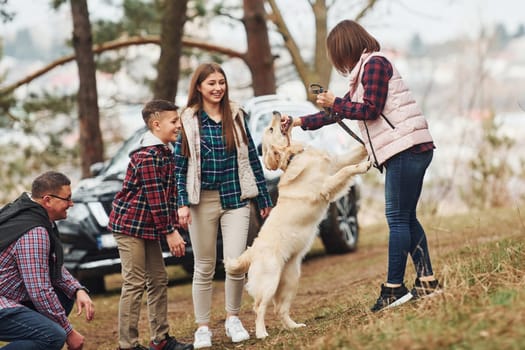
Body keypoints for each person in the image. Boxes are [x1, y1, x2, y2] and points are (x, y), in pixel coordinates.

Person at [282, 19, 442, 312]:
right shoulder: (362, 74)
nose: (338, 62)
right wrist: (298, 122)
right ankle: (427, 281)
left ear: (345, 48)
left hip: (407, 148)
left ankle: (394, 289)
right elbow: (339, 114)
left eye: (337, 54)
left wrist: (335, 102)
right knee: (406, 218)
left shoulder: (375, 65)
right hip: (404, 149)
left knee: (396, 218)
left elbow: (370, 110)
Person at [174, 62, 273, 348]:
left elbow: (252, 159)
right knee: (203, 266)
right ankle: (203, 327)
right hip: (201, 201)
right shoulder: (189, 119)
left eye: (221, 82)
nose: (218, 88)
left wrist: (263, 198)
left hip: (236, 199)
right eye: (211, 84)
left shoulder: (237, 115)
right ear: (199, 88)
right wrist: (181, 203)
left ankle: (233, 319)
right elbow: (180, 166)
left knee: (235, 264)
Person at [108, 100, 193, 350]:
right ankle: (128, 344)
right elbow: (155, 197)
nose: (179, 125)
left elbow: (168, 192)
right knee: (134, 283)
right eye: (174, 121)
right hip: (129, 227)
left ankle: (160, 340)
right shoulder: (147, 155)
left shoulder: (165, 151)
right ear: (156, 124)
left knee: (158, 279)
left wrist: (178, 212)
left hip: (148, 227)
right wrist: (170, 232)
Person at [0, 171, 95, 350]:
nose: (71, 203)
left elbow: (52, 266)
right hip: (3, 302)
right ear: (47, 200)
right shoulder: (34, 231)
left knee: (64, 295)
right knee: (52, 337)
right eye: (67, 199)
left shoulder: (27, 212)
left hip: (8, 296)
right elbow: (39, 290)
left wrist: (77, 290)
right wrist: (69, 332)